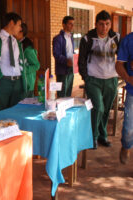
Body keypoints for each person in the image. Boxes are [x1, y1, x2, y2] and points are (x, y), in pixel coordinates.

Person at [78, 10, 120, 149]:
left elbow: (122, 57)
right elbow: (81, 60)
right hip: (93, 79)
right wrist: (86, 78)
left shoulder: (116, 38)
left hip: (111, 79)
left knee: (106, 109)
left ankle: (103, 136)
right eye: (101, 24)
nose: (105, 28)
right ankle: (93, 137)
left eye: (107, 24)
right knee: (98, 108)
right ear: (96, 24)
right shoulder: (87, 39)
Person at [0, 12, 27, 111]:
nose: (20, 28)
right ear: (11, 23)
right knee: (1, 113)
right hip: (3, 82)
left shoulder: (16, 41)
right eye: (19, 25)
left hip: (17, 82)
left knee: (16, 113)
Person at [115, 32, 133, 164]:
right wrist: (128, 78)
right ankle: (126, 145)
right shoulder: (128, 40)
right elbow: (119, 65)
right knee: (128, 129)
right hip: (132, 93)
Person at [15, 23, 40, 97]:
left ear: (21, 32)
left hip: (27, 82)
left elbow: (36, 65)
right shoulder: (16, 43)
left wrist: (23, 70)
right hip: (20, 82)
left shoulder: (27, 49)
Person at [53, 16, 75, 97]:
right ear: (64, 25)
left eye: (73, 24)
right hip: (62, 70)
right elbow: (56, 54)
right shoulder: (58, 38)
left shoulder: (71, 37)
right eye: (70, 24)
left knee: (68, 92)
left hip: (71, 68)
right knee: (62, 94)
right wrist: (66, 61)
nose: (72, 26)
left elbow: (70, 52)